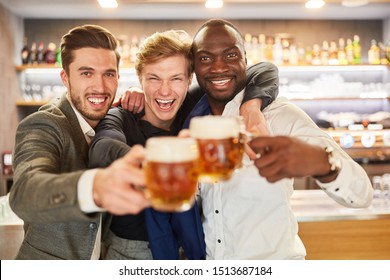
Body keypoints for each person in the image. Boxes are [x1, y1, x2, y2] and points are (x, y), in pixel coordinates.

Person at [183, 19, 373, 259]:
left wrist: (324, 165)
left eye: (230, 55)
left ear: (245, 58)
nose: (218, 67)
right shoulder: (193, 121)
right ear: (194, 66)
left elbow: (362, 194)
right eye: (205, 58)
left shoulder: (279, 115)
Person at [89, 28, 279, 259]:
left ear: (190, 79)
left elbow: (264, 70)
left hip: (195, 246)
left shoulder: (192, 106)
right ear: (140, 78)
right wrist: (165, 162)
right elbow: (102, 149)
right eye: (154, 78)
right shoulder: (120, 117)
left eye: (176, 78)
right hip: (135, 253)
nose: (165, 91)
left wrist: (252, 105)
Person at [9, 24, 150, 260]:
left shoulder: (113, 120)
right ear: (65, 78)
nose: (100, 87)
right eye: (86, 73)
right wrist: (94, 187)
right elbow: (25, 193)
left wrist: (138, 91)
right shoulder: (44, 123)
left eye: (109, 74)